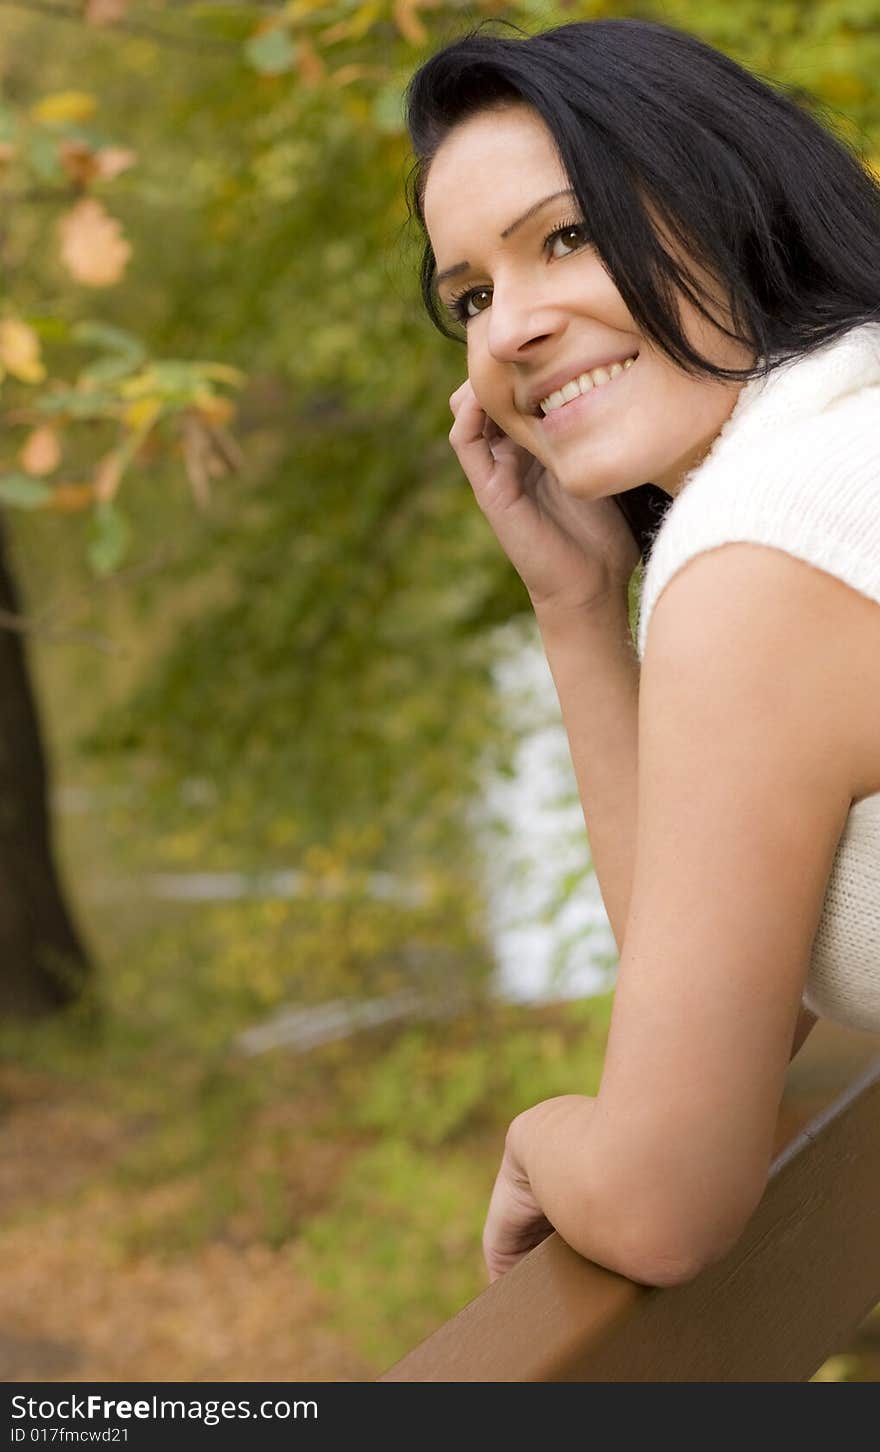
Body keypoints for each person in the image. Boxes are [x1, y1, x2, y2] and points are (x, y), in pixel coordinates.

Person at [402, 17, 880, 1289]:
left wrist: (539, 1139)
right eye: (470, 295)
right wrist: (576, 605)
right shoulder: (839, 451)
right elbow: (736, 1000)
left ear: (731, 203)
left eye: (564, 235)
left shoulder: (770, 554)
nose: (507, 329)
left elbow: (663, 1200)